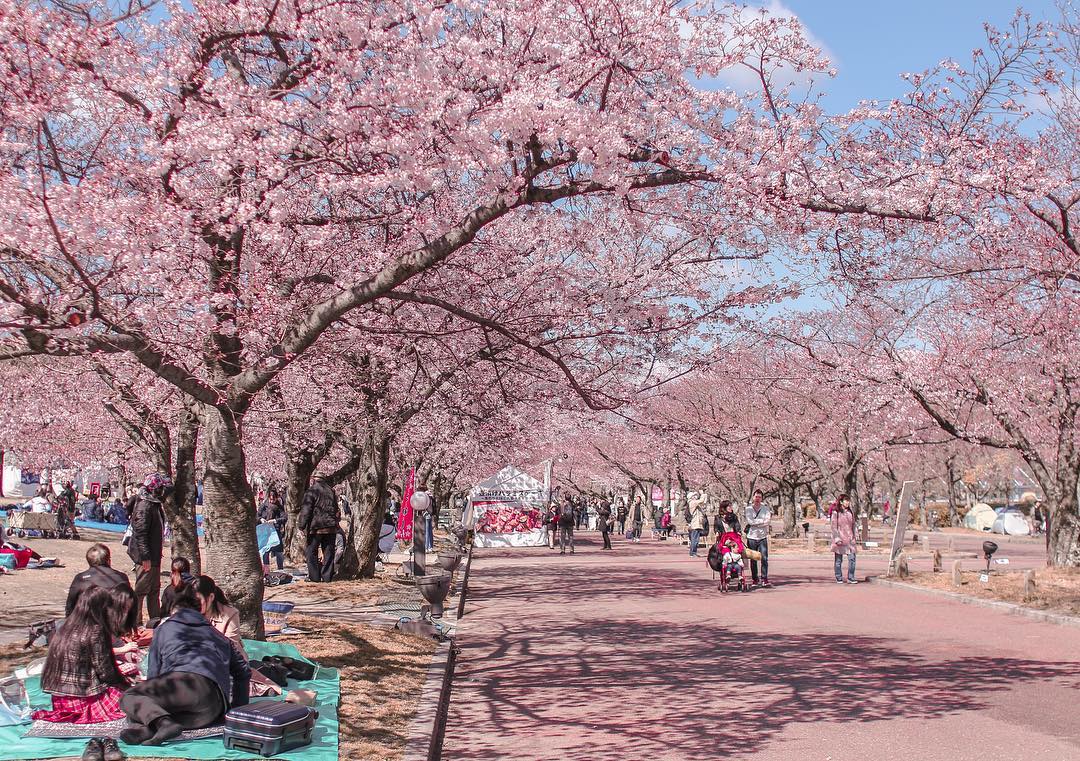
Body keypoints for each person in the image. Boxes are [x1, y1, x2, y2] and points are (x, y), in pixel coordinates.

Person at [120, 585, 250, 746]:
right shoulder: (218, 636)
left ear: (174, 611)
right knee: (152, 710)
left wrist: (152, 694)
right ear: (199, 612)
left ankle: (161, 724)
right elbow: (243, 671)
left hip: (182, 685)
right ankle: (156, 726)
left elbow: (154, 673)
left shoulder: (164, 629)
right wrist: (237, 710)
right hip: (212, 709)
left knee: (131, 698)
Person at [35, 585, 135, 761]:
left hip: (60, 700)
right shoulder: (95, 630)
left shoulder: (66, 626)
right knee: (132, 697)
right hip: (83, 699)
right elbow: (106, 672)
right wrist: (126, 684)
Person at [128, 472, 171, 624]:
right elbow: (140, 533)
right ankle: (136, 622)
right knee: (141, 590)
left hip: (154, 554)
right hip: (145, 556)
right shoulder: (144, 506)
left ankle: (155, 621)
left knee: (154, 589)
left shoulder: (154, 504)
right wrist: (145, 556)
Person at [66, 543, 130, 616]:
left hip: (87, 622)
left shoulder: (80, 578)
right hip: (117, 622)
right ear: (108, 561)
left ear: (89, 561)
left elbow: (70, 607)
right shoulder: (122, 577)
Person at [298, 475, 340, 582]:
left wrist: (301, 525)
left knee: (311, 552)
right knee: (329, 552)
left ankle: (314, 577)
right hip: (330, 527)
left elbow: (306, 510)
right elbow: (336, 509)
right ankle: (327, 577)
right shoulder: (331, 491)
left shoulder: (311, 491)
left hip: (316, 527)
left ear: (314, 479)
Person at [744, 490, 772, 588]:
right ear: (753, 497)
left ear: (762, 498)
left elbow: (767, 521)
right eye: (756, 497)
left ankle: (764, 578)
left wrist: (757, 522)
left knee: (764, 558)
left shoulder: (765, 509)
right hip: (751, 536)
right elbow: (750, 521)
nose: (757, 499)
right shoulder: (748, 509)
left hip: (762, 537)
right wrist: (761, 522)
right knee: (753, 559)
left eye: (759, 497)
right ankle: (755, 579)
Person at [831, 494, 858, 584]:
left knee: (852, 559)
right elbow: (833, 526)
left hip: (850, 539)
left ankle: (851, 577)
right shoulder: (836, 512)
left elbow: (854, 524)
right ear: (841, 502)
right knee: (838, 560)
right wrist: (837, 538)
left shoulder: (851, 512)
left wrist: (855, 534)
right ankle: (838, 576)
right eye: (845, 500)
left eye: (848, 500)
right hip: (840, 539)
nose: (847, 502)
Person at [258, 490, 286, 571]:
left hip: (275, 530)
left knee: (279, 551)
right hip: (265, 531)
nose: (272, 501)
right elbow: (257, 516)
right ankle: (266, 570)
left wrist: (275, 520)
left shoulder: (279, 507)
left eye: (273, 499)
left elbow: (284, 518)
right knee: (266, 551)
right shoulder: (263, 506)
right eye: (270, 499)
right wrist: (261, 519)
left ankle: (280, 569)